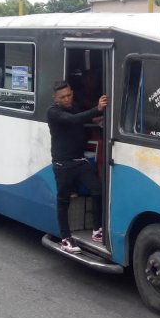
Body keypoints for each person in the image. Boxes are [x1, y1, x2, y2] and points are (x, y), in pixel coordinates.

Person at [47, 80, 108, 254]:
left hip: (79, 161)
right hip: (62, 165)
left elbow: (84, 118)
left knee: (98, 190)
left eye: (69, 95)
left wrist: (101, 118)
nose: (67, 99)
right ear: (55, 98)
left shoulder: (74, 106)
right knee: (63, 201)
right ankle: (65, 238)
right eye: (63, 97)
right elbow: (74, 120)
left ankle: (97, 230)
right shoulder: (53, 112)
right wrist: (97, 108)